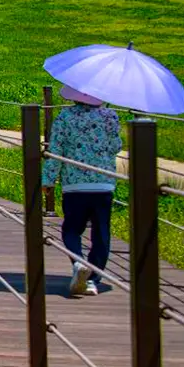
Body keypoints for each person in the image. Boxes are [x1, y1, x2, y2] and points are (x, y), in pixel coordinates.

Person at [42, 85, 121, 297]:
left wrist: (48, 180)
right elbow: (116, 146)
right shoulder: (110, 116)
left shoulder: (65, 116)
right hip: (103, 183)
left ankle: (78, 262)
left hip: (73, 185)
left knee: (71, 229)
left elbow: (55, 150)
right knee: (101, 233)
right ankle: (93, 280)